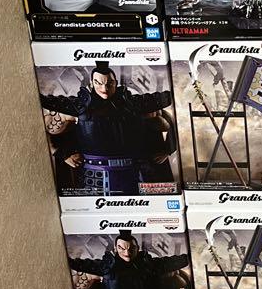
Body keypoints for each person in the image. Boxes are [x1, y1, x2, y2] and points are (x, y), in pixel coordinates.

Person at [39, 61, 175, 194]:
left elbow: (166, 112)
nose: (104, 89)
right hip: (94, 174)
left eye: (109, 83)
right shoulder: (78, 106)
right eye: (98, 83)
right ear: (92, 83)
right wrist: (62, 154)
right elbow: (44, 123)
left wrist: (169, 149)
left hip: (135, 171)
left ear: (115, 82)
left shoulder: (134, 104)